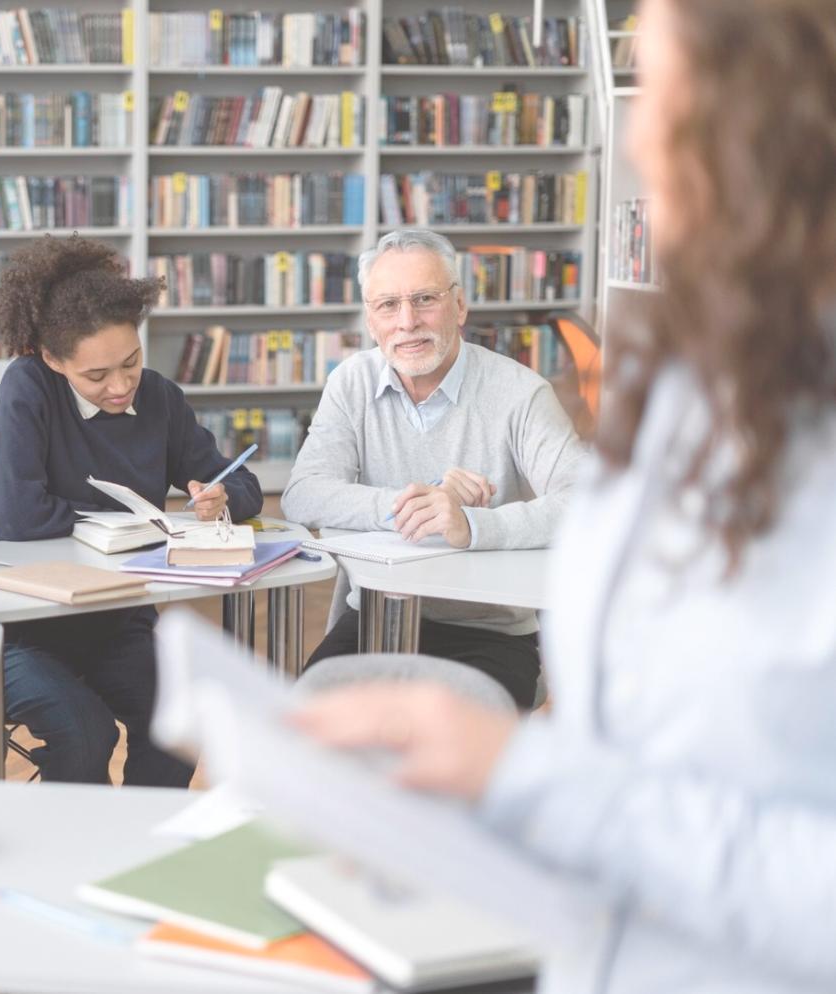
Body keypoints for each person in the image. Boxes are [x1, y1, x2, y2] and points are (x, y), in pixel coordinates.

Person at [291, 1, 836, 989]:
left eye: (660, 104)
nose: (633, 141)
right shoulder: (692, 385)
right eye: (386, 305)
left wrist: (523, 776)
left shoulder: (529, 389)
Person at [0, 234, 263, 785]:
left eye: (130, 362)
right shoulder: (27, 389)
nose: (119, 386)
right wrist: (128, 525)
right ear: (52, 359)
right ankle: (81, 853)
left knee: (181, 720)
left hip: (119, 620)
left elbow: (243, 483)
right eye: (96, 375)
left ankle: (142, 844)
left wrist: (222, 496)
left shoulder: (158, 398)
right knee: (86, 733)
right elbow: (19, 518)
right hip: (23, 627)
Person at [282, 228, 585, 708]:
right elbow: (303, 493)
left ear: (460, 306)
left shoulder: (521, 393)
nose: (406, 322)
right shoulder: (350, 383)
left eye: (424, 299)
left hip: (488, 633)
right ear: (370, 318)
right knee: (304, 730)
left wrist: (470, 523)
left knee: (453, 762)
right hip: (376, 619)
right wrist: (419, 504)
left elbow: (587, 503)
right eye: (388, 305)